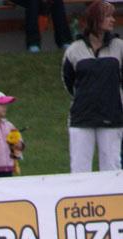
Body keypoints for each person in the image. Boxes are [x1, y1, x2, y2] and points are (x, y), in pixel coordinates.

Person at [62, 0, 123, 172]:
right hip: (82, 117)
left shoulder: (119, 47)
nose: (112, 20)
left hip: (112, 116)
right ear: (95, 19)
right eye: (108, 16)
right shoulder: (74, 49)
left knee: (111, 167)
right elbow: (68, 81)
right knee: (79, 169)